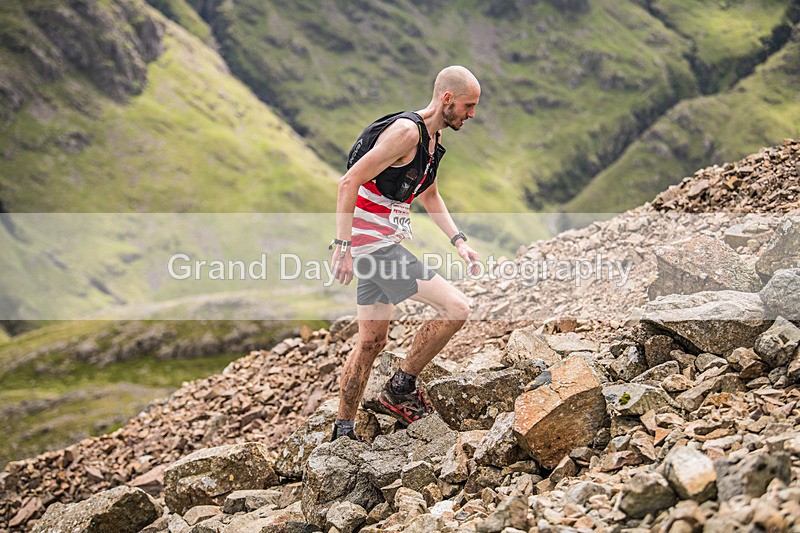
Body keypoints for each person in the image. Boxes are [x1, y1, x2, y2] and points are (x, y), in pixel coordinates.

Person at [329, 65, 482, 441]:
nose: (472, 114)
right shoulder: (406, 133)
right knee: (456, 308)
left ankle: (342, 430)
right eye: (468, 105)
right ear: (447, 99)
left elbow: (430, 195)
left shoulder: (432, 140)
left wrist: (459, 241)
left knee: (371, 342)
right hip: (373, 248)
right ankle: (400, 388)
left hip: (383, 245)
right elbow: (349, 182)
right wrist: (343, 246)